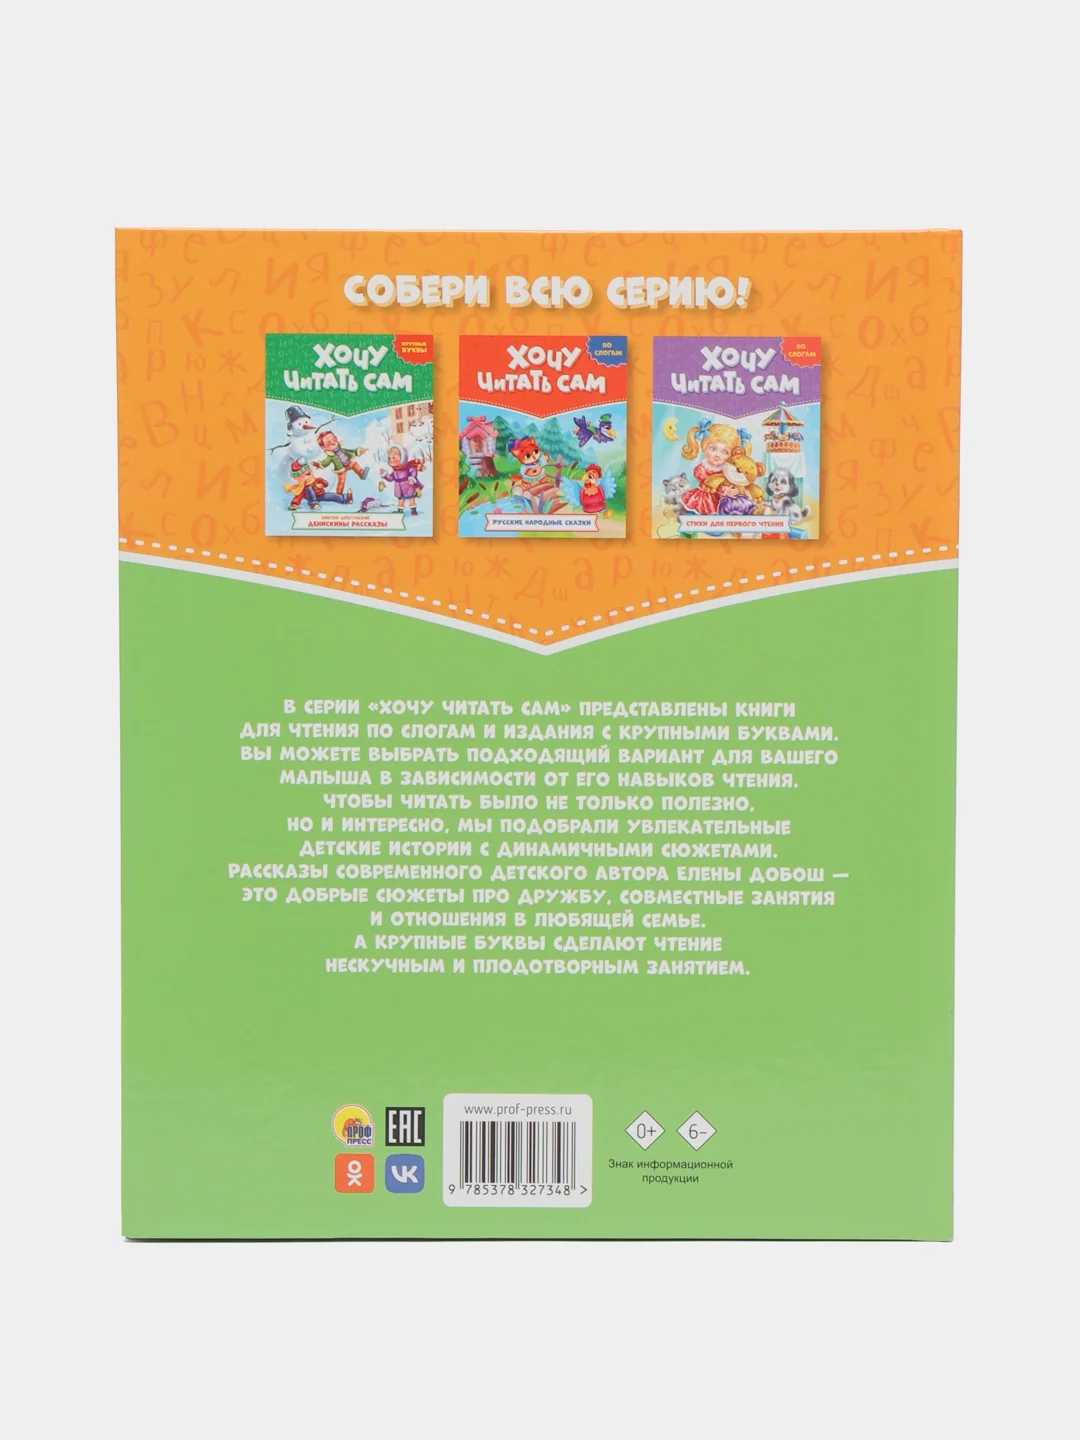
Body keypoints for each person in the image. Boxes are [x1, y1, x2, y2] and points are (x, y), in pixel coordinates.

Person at [315, 429, 368, 494]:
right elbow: (326, 462)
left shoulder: (341, 449)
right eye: (328, 440)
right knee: (341, 482)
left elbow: (349, 451)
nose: (332, 440)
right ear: (324, 447)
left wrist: (358, 451)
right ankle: (339, 494)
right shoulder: (330, 456)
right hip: (341, 469)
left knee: (354, 464)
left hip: (348, 463)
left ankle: (362, 474)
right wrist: (319, 465)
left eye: (333, 438)